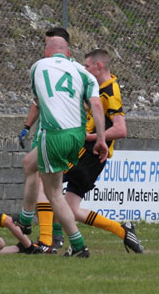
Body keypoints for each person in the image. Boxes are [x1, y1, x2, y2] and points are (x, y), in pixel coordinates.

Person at [15, 37, 108, 258]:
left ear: (47, 52)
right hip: (77, 136)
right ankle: (26, 220)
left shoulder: (38, 66)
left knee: (53, 193)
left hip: (54, 134)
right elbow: (94, 104)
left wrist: (28, 126)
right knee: (29, 163)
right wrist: (101, 140)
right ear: (68, 53)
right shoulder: (82, 72)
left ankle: (78, 246)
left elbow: (38, 100)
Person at [62, 49, 142, 253]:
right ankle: (123, 231)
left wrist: (90, 137)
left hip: (89, 153)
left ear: (98, 66)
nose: (86, 69)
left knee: (44, 178)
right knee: (71, 209)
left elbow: (120, 129)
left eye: (87, 66)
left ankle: (50, 241)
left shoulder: (110, 91)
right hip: (91, 155)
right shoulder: (100, 87)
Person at [17, 27, 73, 252]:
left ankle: (49, 237)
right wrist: (27, 126)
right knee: (47, 184)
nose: (46, 50)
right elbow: (38, 101)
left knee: (53, 187)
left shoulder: (75, 71)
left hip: (62, 136)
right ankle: (49, 235)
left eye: (49, 45)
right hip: (44, 134)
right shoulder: (44, 68)